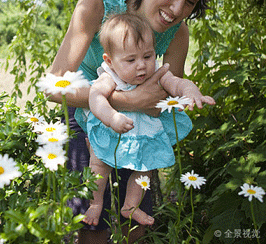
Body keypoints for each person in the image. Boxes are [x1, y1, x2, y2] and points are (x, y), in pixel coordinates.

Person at [47, 0, 213, 244]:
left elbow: (169, 91)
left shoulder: (178, 32)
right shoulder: (96, 5)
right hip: (85, 112)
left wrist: (179, 97)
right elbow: (53, 86)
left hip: (139, 124)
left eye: (191, 1)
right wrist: (129, 101)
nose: (178, 10)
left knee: (134, 223)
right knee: (92, 223)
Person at [82, 13, 215, 227]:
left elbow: (179, 83)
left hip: (142, 133)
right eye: (131, 60)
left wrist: (192, 93)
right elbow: (94, 96)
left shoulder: (159, 74)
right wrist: (111, 117)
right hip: (111, 130)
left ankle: (130, 206)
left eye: (147, 56)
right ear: (110, 61)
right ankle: (95, 203)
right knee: (98, 165)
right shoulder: (110, 76)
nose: (141, 66)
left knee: (145, 167)